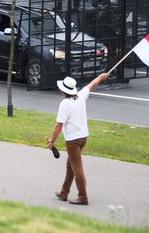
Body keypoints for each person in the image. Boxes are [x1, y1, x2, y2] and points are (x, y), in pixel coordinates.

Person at [47, 73, 110, 205]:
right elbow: (92, 85)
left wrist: (52, 141)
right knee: (70, 165)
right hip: (83, 137)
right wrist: (101, 77)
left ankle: (83, 197)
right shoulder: (80, 96)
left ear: (63, 90)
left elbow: (59, 124)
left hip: (73, 140)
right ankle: (64, 192)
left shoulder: (65, 104)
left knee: (77, 168)